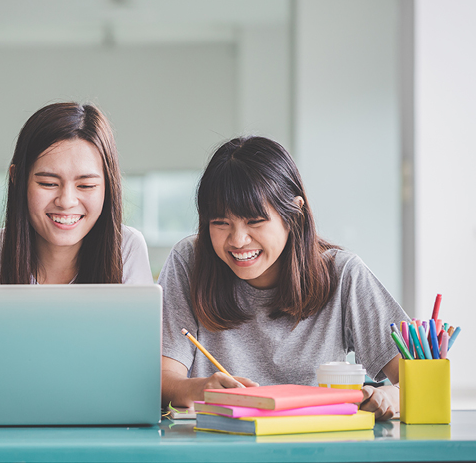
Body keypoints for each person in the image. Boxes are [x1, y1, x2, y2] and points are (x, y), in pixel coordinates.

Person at [159, 136, 407, 420]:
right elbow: (163, 378)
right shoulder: (190, 262)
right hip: (217, 444)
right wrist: (198, 388)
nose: (238, 240)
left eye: (255, 221)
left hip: (315, 448)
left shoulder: (343, 274)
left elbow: (418, 379)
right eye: (220, 223)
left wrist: (391, 395)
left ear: (294, 213)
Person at [0, 102, 152, 285]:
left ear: (109, 186)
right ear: (17, 179)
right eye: (48, 183)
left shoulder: (126, 249)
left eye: (86, 186)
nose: (66, 201)